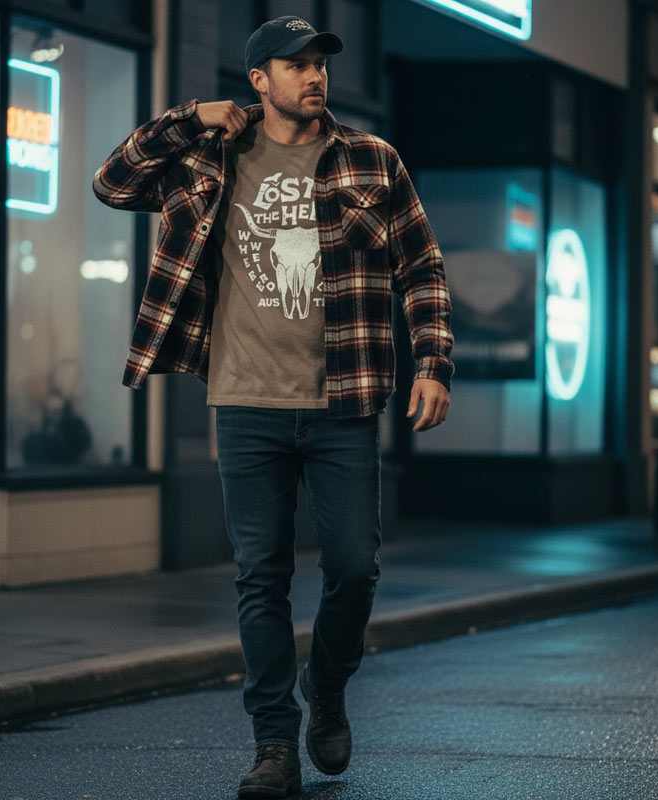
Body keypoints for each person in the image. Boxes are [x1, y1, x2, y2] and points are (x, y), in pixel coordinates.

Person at [93, 15, 454, 798]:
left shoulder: (372, 158)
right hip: (246, 401)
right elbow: (112, 182)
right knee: (261, 578)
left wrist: (433, 363)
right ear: (258, 81)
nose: (314, 75)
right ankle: (274, 746)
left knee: (354, 568)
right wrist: (186, 117)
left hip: (343, 401)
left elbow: (421, 266)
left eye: (320, 63)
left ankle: (327, 684)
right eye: (295, 65)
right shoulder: (210, 155)